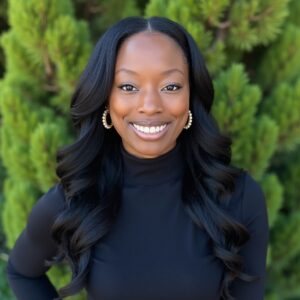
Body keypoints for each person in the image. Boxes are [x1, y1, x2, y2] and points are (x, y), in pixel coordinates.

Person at [6, 16, 269, 300]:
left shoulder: (239, 197)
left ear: (191, 96)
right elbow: (22, 272)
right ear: (106, 97)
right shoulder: (77, 199)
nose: (150, 106)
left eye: (171, 87)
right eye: (128, 87)